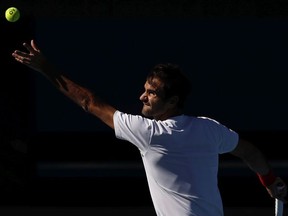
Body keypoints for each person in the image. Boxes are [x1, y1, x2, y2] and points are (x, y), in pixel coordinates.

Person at [12, 39, 287, 216]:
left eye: (152, 93)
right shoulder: (210, 129)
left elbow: (88, 102)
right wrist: (269, 181)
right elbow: (250, 152)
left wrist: (45, 67)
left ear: (173, 101)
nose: (142, 97)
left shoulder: (150, 134)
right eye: (145, 90)